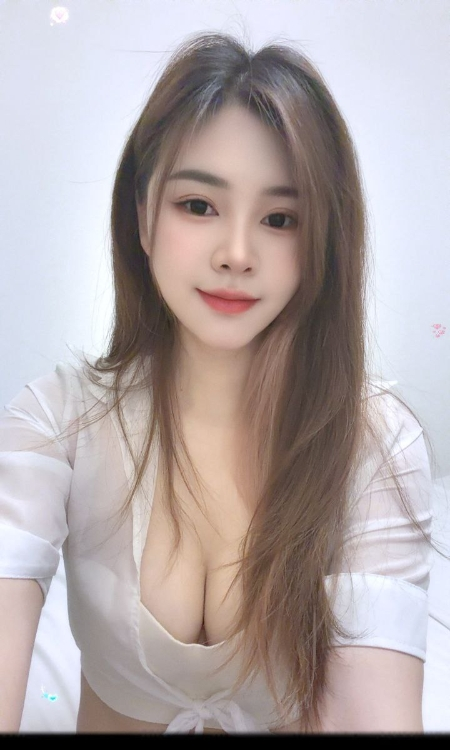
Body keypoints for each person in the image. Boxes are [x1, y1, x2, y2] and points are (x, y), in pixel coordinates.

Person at [0, 31, 435, 734]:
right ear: (142, 216)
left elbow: (374, 709)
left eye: (280, 219)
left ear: (322, 241)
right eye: (199, 205)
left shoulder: (374, 443)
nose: (236, 253)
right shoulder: (58, 424)